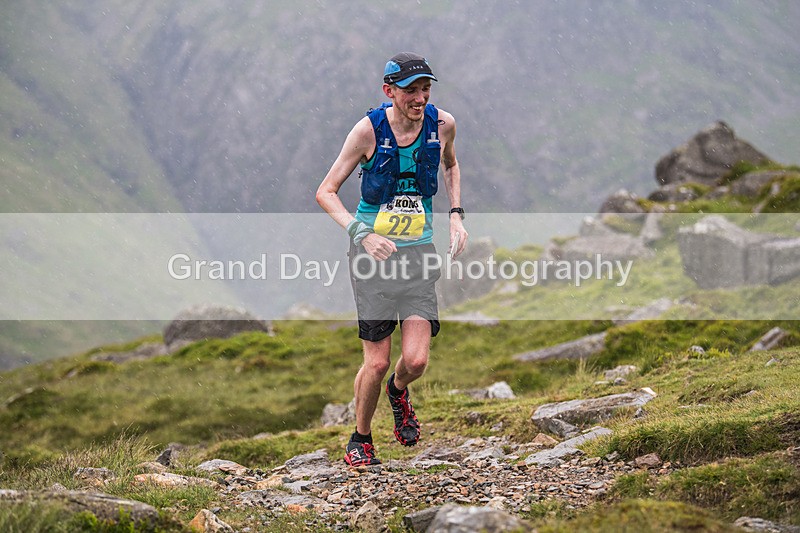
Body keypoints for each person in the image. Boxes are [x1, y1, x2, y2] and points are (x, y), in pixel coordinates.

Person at [316, 52, 467, 466]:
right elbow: (325, 191)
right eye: (411, 90)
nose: (420, 98)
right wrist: (361, 233)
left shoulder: (443, 125)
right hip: (372, 257)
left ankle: (399, 393)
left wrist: (455, 216)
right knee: (377, 361)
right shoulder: (367, 132)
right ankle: (360, 438)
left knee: (415, 360)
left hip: (417, 253)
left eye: (426, 89)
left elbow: (451, 165)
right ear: (389, 91)